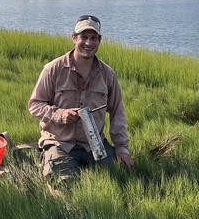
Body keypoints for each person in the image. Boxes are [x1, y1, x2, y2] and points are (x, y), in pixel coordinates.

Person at [28, 15, 134, 182]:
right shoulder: (53, 69)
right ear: (73, 38)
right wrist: (60, 114)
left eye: (93, 38)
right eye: (83, 37)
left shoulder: (108, 74)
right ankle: (48, 160)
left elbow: (117, 113)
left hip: (95, 145)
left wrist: (122, 149)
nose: (88, 43)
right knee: (64, 183)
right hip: (61, 143)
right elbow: (34, 105)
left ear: (100, 40)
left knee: (119, 178)